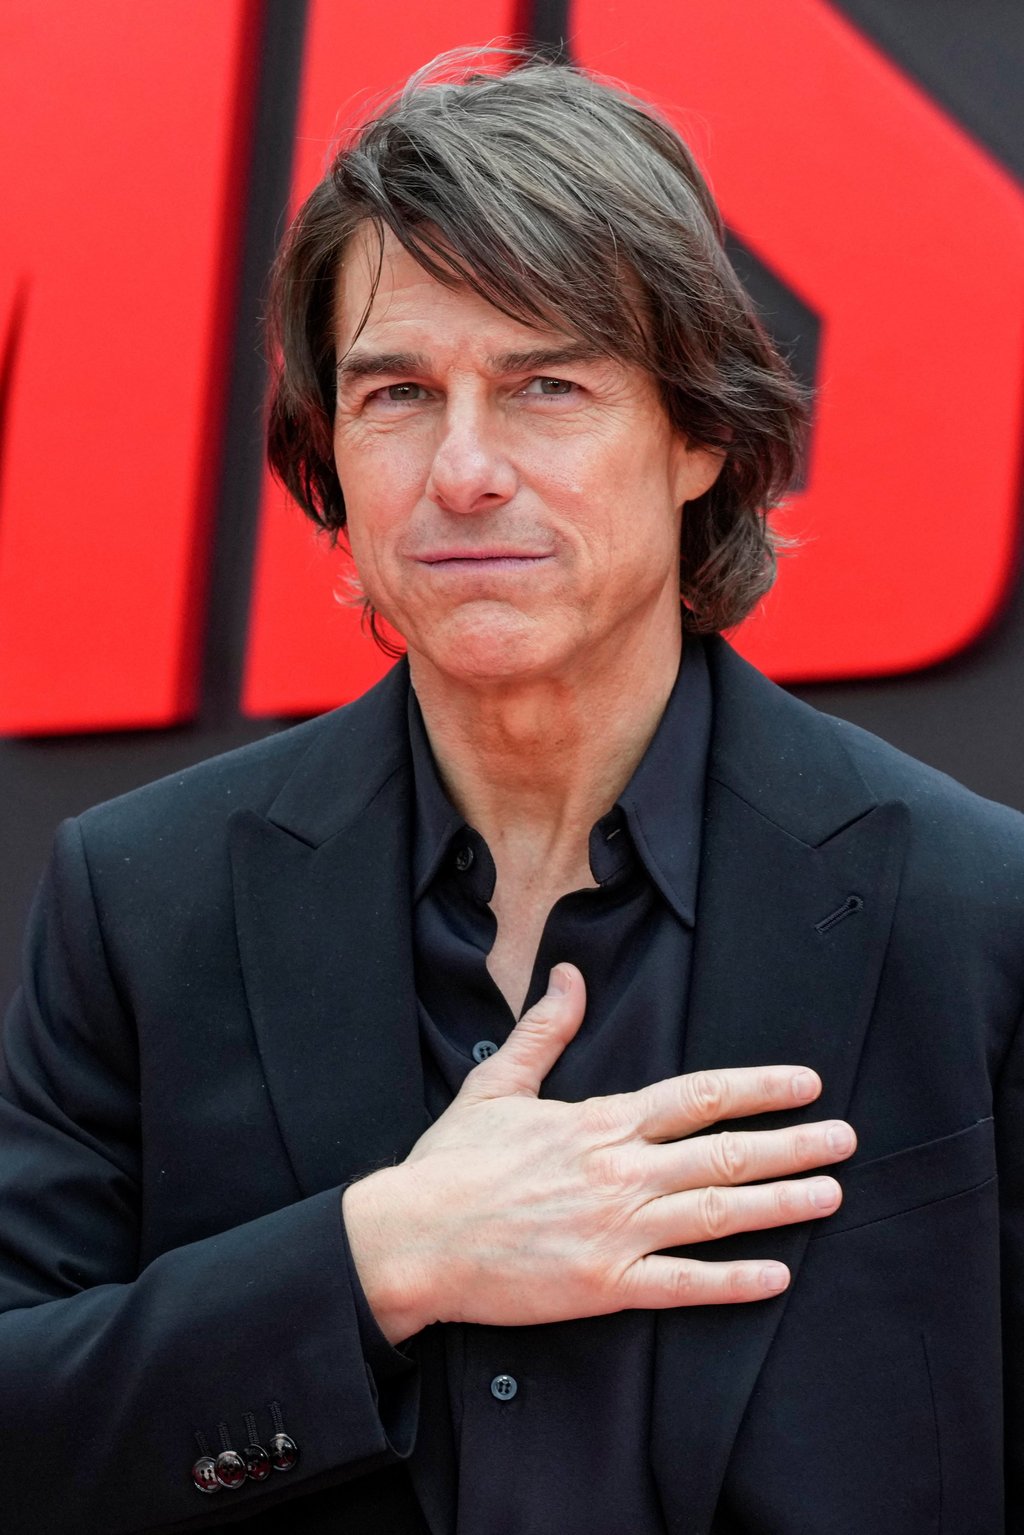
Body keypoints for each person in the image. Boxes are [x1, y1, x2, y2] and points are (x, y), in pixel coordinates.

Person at [1, 49, 1021, 1535]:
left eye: (546, 384)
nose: (465, 470)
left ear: (699, 437)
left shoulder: (975, 912)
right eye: (400, 392)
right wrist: (378, 1257)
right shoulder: (143, 898)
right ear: (328, 453)